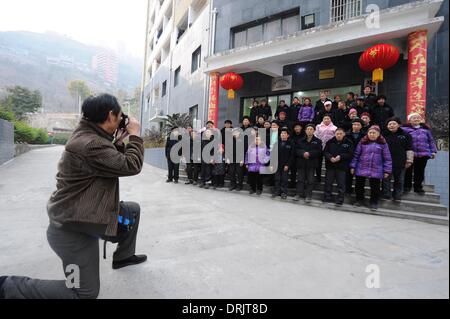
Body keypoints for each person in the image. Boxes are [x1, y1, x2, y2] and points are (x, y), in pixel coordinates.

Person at [0, 94, 146, 299]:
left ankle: (123, 257)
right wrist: (135, 136)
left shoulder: (88, 133)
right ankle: (9, 287)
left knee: (132, 211)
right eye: (120, 116)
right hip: (73, 230)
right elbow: (131, 165)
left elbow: (109, 161)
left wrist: (120, 141)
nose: (122, 120)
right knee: (83, 292)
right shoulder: (90, 144)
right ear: (110, 115)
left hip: (88, 213)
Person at [350, 125, 392, 211]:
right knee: (359, 185)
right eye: (370, 133)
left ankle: (373, 202)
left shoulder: (383, 143)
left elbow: (387, 158)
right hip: (362, 167)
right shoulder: (362, 142)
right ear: (367, 133)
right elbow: (356, 155)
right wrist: (353, 166)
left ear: (378, 134)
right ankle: (359, 200)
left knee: (375, 187)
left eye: (374, 133)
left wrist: (387, 171)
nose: (372, 134)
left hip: (376, 168)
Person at [402, 113, 438, 195]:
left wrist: (433, 151)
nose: (416, 119)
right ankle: (407, 187)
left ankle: (418, 187)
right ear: (410, 120)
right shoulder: (404, 129)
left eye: (418, 118)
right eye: (414, 118)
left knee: (420, 171)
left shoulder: (426, 130)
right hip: (410, 154)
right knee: (408, 171)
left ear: (421, 120)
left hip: (423, 154)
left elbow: (431, 141)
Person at [382, 117, 414, 201]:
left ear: (399, 125)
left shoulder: (406, 135)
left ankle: (397, 196)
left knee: (399, 180)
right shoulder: (383, 135)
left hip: (400, 161)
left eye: (394, 123)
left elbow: (409, 148)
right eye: (389, 124)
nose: (391, 125)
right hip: (386, 162)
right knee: (386, 179)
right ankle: (386, 194)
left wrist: (409, 160)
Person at [323, 128, 354, 206]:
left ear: (344, 134)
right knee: (328, 182)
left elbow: (350, 154)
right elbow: (325, 152)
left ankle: (340, 199)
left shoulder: (348, 142)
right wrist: (330, 157)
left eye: (340, 134)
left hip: (342, 167)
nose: (339, 135)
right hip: (330, 166)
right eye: (337, 134)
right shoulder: (330, 142)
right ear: (335, 134)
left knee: (341, 184)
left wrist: (340, 156)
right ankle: (327, 197)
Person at [293, 124, 322, 203]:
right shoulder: (300, 140)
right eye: (308, 129)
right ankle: (298, 194)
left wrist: (309, 154)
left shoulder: (318, 141)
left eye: (311, 129)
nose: (309, 130)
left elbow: (319, 152)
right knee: (300, 179)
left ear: (314, 131)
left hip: (311, 163)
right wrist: (303, 153)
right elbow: (296, 150)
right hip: (301, 163)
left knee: (310, 180)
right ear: (305, 131)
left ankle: (308, 195)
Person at [345, 118, 366, 195]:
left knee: (360, 178)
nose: (356, 126)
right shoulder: (347, 135)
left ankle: (359, 195)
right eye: (354, 124)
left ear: (361, 126)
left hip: (361, 159)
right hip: (348, 158)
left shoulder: (365, 136)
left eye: (358, 125)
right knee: (348, 177)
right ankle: (348, 191)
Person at [271, 128, 293, 200]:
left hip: (285, 165)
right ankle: (276, 191)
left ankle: (284, 192)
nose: (282, 135)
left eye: (284, 133)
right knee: (277, 178)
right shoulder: (276, 143)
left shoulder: (291, 144)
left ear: (288, 135)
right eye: (281, 133)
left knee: (284, 179)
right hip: (277, 164)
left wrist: (288, 165)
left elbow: (291, 156)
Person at [314, 114, 337, 183]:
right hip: (319, 147)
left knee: (328, 164)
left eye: (328, 118)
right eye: (325, 118)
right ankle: (318, 178)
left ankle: (328, 179)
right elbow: (316, 135)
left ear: (330, 119)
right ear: (323, 119)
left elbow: (335, 138)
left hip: (329, 149)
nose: (326, 120)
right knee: (318, 164)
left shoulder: (334, 127)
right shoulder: (318, 126)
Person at [289, 122, 305, 188]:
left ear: (301, 128)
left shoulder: (304, 136)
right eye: (295, 127)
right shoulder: (291, 136)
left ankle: (302, 185)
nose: (297, 128)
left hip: (301, 156)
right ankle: (292, 184)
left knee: (302, 172)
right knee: (293, 171)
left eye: (298, 127)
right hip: (293, 156)